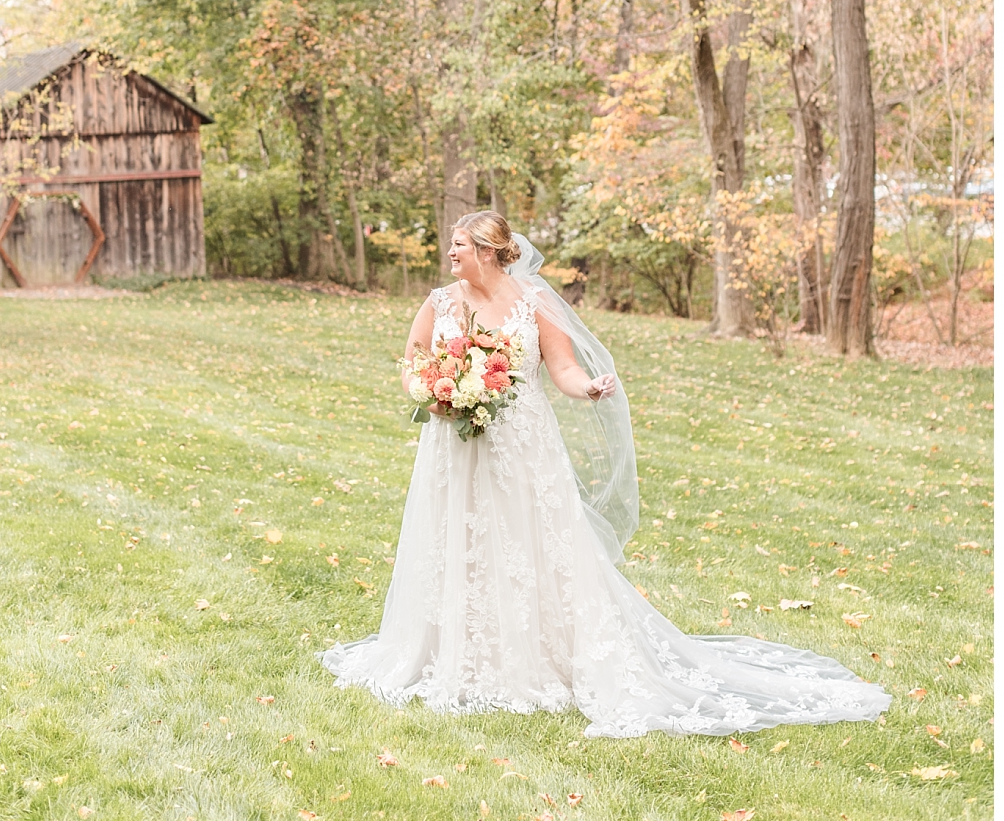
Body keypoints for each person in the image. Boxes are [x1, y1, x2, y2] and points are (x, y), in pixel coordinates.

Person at [321, 211, 890, 738]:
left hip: (521, 445)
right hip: (454, 445)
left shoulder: (534, 304)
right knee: (460, 537)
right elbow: (415, 356)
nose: (450, 253)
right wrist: (431, 389)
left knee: (527, 543)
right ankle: (452, 651)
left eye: (460, 245)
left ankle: (536, 656)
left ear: (491, 252)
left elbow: (562, 367)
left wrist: (587, 388)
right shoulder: (441, 301)